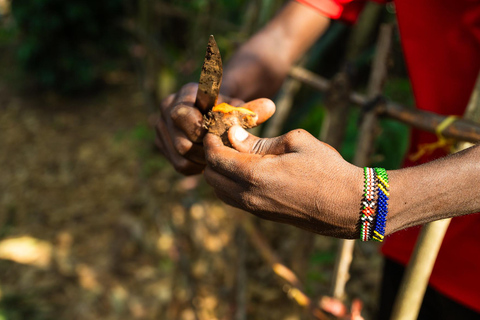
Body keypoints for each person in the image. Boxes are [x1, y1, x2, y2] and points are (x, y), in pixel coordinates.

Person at [155, 0, 480, 318]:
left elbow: (376, 203)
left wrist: (375, 202)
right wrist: (218, 103)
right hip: (422, 243)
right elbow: (284, 36)